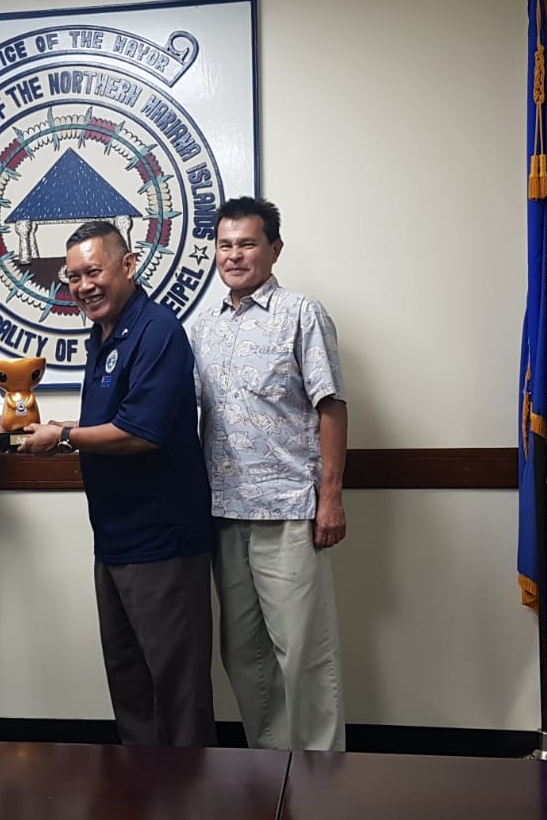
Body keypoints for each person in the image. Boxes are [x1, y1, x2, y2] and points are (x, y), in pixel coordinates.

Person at [18, 220, 216, 747]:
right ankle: (142, 799)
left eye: (95, 271)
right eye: (74, 276)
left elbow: (139, 433)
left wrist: (61, 434)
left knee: (177, 690)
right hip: (114, 539)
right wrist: (58, 430)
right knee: (130, 685)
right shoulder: (101, 333)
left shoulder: (158, 330)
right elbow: (111, 420)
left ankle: (195, 804)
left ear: (128, 265)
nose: (84, 286)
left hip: (163, 541)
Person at [185, 196, 348, 751]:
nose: (235, 255)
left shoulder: (303, 313)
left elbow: (331, 406)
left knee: (302, 652)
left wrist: (330, 498)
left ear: (274, 249)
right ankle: (271, 767)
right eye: (225, 245)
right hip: (224, 512)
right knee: (243, 653)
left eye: (248, 243)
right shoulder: (202, 324)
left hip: (289, 512)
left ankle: (321, 773)